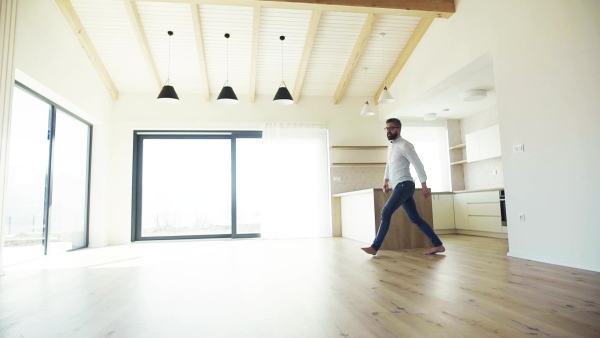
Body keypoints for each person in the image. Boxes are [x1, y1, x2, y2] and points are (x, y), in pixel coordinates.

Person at [361, 118, 446, 256]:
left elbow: (418, 164)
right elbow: (389, 165)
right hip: (399, 186)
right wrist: (385, 180)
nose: (388, 131)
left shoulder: (405, 145)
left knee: (385, 212)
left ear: (399, 129)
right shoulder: (391, 146)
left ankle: (375, 247)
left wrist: (424, 185)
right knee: (415, 218)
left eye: (391, 128)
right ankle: (438, 245)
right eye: (387, 128)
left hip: (404, 184)